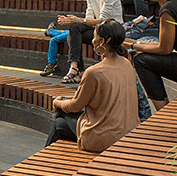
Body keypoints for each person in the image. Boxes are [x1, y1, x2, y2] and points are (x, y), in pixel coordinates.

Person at [46, 19, 139, 152]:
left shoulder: (93, 72)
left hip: (104, 138)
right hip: (128, 133)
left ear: (102, 42)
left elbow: (75, 106)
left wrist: (57, 102)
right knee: (61, 122)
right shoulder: (127, 64)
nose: (92, 41)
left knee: (59, 120)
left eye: (94, 38)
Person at [56, 0, 123, 84]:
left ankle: (78, 71)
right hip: (99, 29)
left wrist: (77, 20)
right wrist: (71, 20)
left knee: (75, 27)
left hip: (112, 32)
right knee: (74, 29)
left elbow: (103, 20)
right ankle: (76, 68)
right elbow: (89, 19)